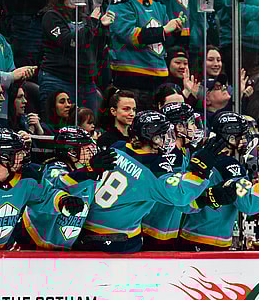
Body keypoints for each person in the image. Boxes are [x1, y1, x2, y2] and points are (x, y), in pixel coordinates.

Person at [74, 110, 220, 253]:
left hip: (85, 230)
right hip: (118, 239)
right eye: (164, 135)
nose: (168, 140)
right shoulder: (153, 167)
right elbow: (180, 196)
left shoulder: (118, 146)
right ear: (153, 138)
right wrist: (199, 172)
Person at [178, 111, 259, 251]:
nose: (245, 140)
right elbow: (249, 204)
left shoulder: (199, 155)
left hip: (188, 236)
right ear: (229, 138)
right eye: (241, 136)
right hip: (212, 241)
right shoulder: (231, 165)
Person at [18, 126, 116, 250]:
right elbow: (59, 185)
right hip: (32, 240)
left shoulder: (90, 172)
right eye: (87, 149)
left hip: (64, 245)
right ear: (72, 152)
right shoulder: (53, 168)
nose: (92, 152)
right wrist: (89, 170)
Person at [107, 0, 186, 111]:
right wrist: (163, 31)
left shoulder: (159, 3)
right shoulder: (121, 3)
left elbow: (164, 41)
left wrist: (175, 31)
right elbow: (129, 36)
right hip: (132, 81)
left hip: (159, 81)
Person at [38, 0, 115, 115]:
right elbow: (69, 42)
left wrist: (103, 28)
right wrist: (93, 23)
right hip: (58, 79)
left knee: (88, 125)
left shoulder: (86, 18)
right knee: (58, 125)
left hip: (86, 83)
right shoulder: (51, 16)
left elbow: (97, 48)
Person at [141, 101, 196, 250]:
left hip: (168, 229)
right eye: (191, 123)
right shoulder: (169, 155)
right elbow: (178, 197)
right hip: (153, 228)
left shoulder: (184, 152)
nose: (195, 128)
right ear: (178, 127)